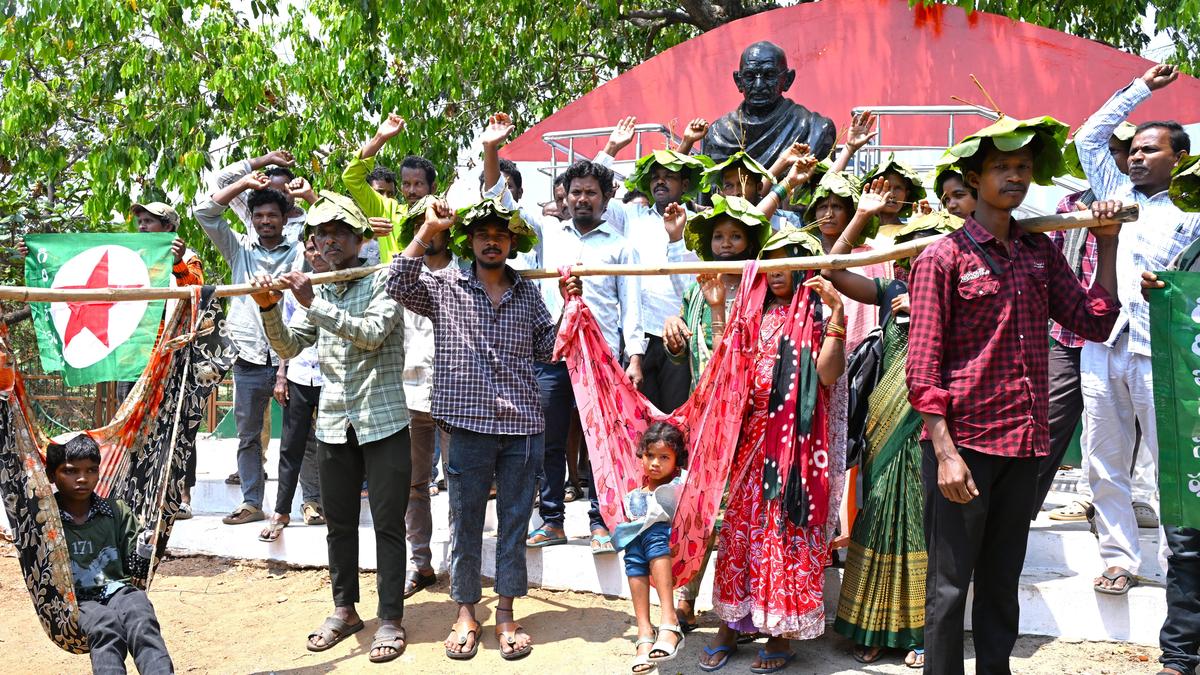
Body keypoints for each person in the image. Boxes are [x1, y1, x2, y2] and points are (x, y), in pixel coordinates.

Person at [906, 117, 1123, 675]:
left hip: (1024, 446)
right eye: (1002, 167)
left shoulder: (1039, 253)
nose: (1015, 177)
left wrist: (1108, 246)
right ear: (974, 180)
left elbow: (1093, 322)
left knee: (1003, 583)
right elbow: (923, 369)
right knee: (951, 588)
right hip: (967, 449)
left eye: (1023, 168)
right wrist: (946, 453)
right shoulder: (942, 258)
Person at [388, 196, 556, 662]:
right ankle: (466, 612)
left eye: (501, 234)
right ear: (470, 240)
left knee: (515, 523)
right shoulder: (444, 287)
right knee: (464, 523)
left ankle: (505, 612)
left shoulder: (528, 294)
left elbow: (547, 350)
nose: (492, 240)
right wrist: (427, 229)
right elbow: (397, 283)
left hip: (523, 424)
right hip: (466, 426)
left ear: (511, 243)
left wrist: (575, 299)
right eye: (483, 233)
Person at [252, 191, 412, 664]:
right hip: (334, 425)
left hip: (383, 423)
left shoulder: (383, 280)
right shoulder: (319, 291)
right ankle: (345, 610)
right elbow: (288, 346)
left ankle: (390, 618)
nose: (330, 242)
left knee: (387, 525)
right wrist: (267, 307)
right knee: (339, 525)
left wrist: (309, 302)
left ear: (361, 240)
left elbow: (370, 335)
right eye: (322, 235)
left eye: (340, 233)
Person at [1074, 64, 1200, 595]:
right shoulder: (1114, 191)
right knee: (1104, 458)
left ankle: (1181, 562)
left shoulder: (1193, 213)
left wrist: (1168, 285)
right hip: (1104, 343)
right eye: (1135, 149)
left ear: (1181, 158)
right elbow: (1088, 136)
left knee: (1170, 461)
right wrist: (1142, 89)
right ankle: (1120, 558)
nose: (1138, 155)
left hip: (1164, 349)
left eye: (1152, 149)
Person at [701, 228, 847, 673]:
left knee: (783, 534)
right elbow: (730, 369)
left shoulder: (819, 316)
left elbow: (827, 375)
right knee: (740, 534)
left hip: (797, 445)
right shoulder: (754, 313)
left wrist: (838, 312)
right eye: (770, 260)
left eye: (787, 260)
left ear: (803, 266)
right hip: (751, 440)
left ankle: (780, 633)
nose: (777, 269)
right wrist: (719, 310)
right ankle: (730, 624)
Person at [823, 184, 957, 669]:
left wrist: (927, 312)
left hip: (932, 421)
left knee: (924, 524)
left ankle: (922, 631)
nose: (917, 261)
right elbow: (831, 271)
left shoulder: (963, 292)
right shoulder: (891, 292)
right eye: (911, 251)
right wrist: (860, 215)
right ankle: (872, 624)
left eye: (928, 249)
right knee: (878, 514)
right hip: (885, 418)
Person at [195, 171, 302, 525]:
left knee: (306, 434)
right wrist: (243, 185)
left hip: (296, 353)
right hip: (250, 356)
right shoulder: (239, 251)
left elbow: (331, 225)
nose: (265, 221)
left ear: (286, 219)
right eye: (259, 215)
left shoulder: (302, 250)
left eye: (272, 215)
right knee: (248, 435)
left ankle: (312, 501)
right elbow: (205, 213)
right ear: (252, 220)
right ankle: (252, 502)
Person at [599, 126, 706, 414]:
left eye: (669, 177)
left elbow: (693, 288)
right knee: (637, 418)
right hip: (637, 337)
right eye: (655, 178)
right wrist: (611, 149)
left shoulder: (700, 224)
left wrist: (676, 239)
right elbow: (594, 195)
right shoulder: (631, 216)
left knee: (676, 418)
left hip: (680, 336)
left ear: (684, 185)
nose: (660, 182)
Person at [48, 433, 174, 675]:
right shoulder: (44, 521)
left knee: (140, 612)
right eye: (71, 471)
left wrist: (146, 545)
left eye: (91, 470)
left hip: (117, 590)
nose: (83, 478)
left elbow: (136, 569)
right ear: (52, 475)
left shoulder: (116, 511)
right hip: (75, 603)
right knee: (105, 624)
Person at [127, 200, 205, 519]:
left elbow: (198, 294)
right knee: (136, 423)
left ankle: (181, 495)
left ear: (169, 228)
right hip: (137, 356)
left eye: (150, 221)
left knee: (178, 423)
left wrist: (176, 265)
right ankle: (136, 490)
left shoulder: (187, 258)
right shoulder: (131, 259)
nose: (143, 226)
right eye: (140, 221)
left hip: (174, 355)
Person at [258, 236, 327, 542]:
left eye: (320, 247)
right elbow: (285, 337)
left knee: (333, 446)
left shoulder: (341, 285)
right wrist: (281, 376)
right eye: (310, 249)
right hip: (300, 375)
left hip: (331, 379)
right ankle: (281, 511)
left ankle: (325, 505)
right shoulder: (293, 289)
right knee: (291, 446)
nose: (316, 253)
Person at [615, 422, 689, 674]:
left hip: (670, 544)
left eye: (664, 457)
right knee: (633, 548)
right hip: (642, 549)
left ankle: (670, 622)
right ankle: (644, 630)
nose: (654, 463)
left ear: (676, 460)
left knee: (653, 535)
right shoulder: (635, 493)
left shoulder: (680, 485)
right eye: (649, 456)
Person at [705, 41, 836, 166]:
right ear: (738, 81)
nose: (759, 85)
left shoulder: (813, 129)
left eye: (769, 75)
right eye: (750, 76)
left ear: (787, 80)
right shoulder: (718, 134)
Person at [342, 112, 438, 261]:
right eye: (406, 184)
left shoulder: (442, 215)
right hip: (395, 283)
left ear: (433, 188)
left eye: (418, 184)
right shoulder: (388, 211)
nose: (411, 191)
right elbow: (351, 178)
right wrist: (380, 138)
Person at [213, 149, 318, 242]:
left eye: (285, 191)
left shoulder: (310, 221)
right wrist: (268, 158)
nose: (280, 197)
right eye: (274, 192)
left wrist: (309, 195)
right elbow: (223, 180)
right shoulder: (252, 211)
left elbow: (332, 226)